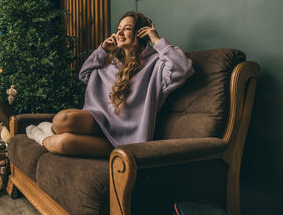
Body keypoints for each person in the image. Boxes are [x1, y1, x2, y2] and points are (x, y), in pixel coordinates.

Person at [26, 11, 194, 157]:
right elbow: (84, 74)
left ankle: (40, 134)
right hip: (99, 124)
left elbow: (183, 68)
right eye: (119, 28)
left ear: (140, 32)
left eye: (127, 28)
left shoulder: (156, 65)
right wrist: (103, 50)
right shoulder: (114, 65)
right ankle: (49, 130)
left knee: (63, 143)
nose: (120, 33)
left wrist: (156, 39)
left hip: (124, 141)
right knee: (63, 119)